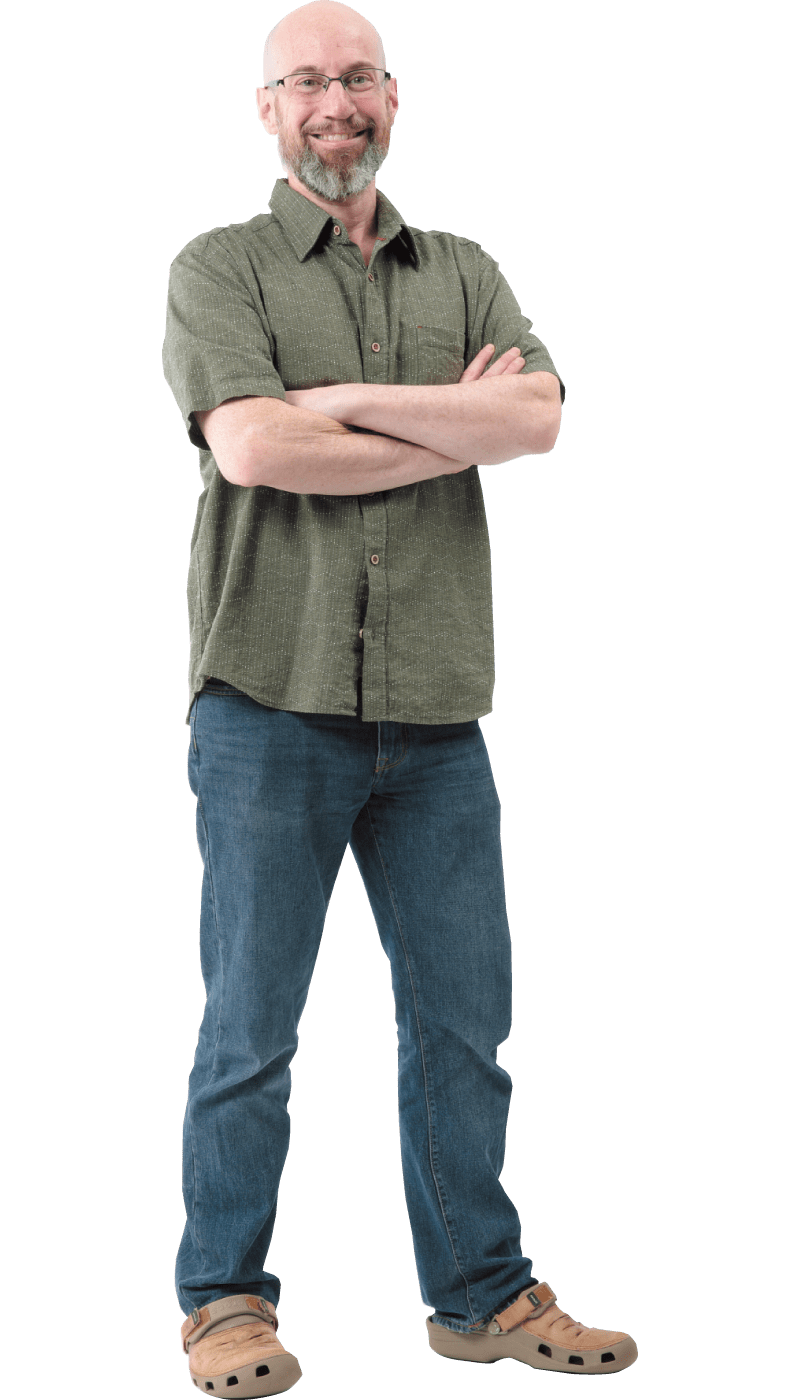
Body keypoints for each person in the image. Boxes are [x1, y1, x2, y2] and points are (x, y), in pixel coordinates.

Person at [162, 2, 637, 1392]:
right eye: (306, 80)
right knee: (251, 1029)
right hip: (268, 701)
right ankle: (224, 1300)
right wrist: (448, 427)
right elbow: (254, 449)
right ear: (268, 109)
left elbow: (539, 416)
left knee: (465, 1029)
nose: (336, 102)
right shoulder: (219, 266)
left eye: (358, 76)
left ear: (391, 95)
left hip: (438, 714)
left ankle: (480, 1297)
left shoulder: (467, 269)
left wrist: (340, 402)